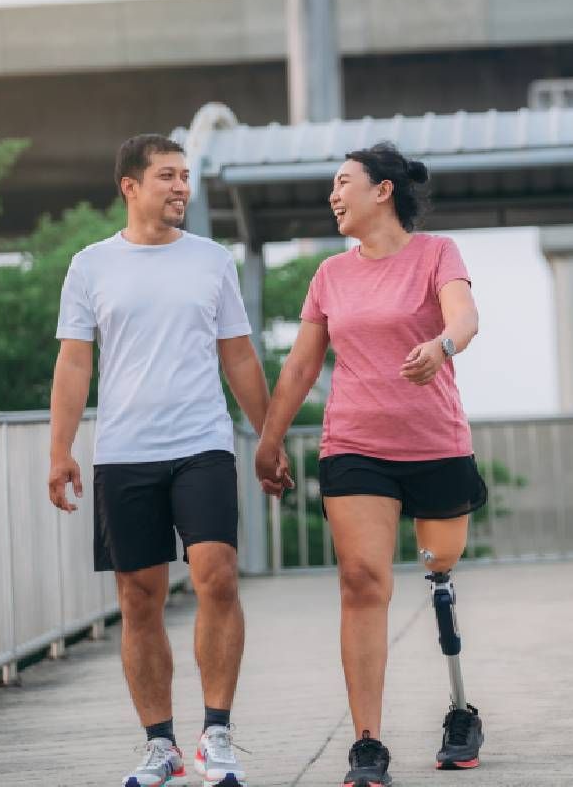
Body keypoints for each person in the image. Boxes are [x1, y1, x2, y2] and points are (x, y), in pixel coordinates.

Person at [48, 134, 287, 787]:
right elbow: (75, 361)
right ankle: (161, 745)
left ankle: (216, 733)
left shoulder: (211, 262)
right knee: (139, 600)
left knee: (217, 576)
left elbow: (238, 353)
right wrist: (59, 449)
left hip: (201, 442)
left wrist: (267, 440)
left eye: (186, 176)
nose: (182, 187)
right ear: (130, 186)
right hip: (124, 452)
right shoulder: (90, 266)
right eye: (167, 176)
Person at [253, 141, 487, 787]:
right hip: (354, 445)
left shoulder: (436, 253)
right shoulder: (330, 274)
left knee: (438, 569)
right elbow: (302, 365)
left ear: (382, 190)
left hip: (436, 443)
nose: (333, 196)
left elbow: (464, 316)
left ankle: (460, 709)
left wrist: (440, 346)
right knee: (361, 581)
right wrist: (269, 441)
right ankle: (367, 744)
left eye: (342, 183)